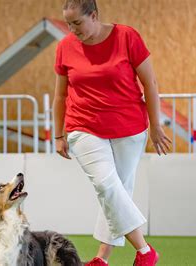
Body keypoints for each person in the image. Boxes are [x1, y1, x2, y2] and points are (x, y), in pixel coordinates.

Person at [53, 0, 171, 265]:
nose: (73, 29)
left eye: (78, 23)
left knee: (117, 192)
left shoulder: (127, 37)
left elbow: (149, 83)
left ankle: (101, 260)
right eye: (69, 24)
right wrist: (58, 134)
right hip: (82, 127)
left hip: (129, 128)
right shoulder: (64, 47)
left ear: (93, 15)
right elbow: (60, 95)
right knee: (106, 185)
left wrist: (156, 126)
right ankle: (145, 251)